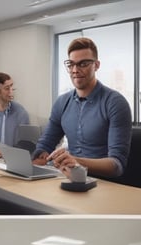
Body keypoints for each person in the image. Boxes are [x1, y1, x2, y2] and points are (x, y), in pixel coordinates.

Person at [33, 38, 131, 180]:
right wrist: (39, 155)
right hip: (70, 177)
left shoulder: (115, 103)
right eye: (71, 64)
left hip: (104, 183)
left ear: (96, 65)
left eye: (83, 64)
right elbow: (46, 143)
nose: (75, 70)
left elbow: (117, 165)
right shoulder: (62, 102)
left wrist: (77, 161)